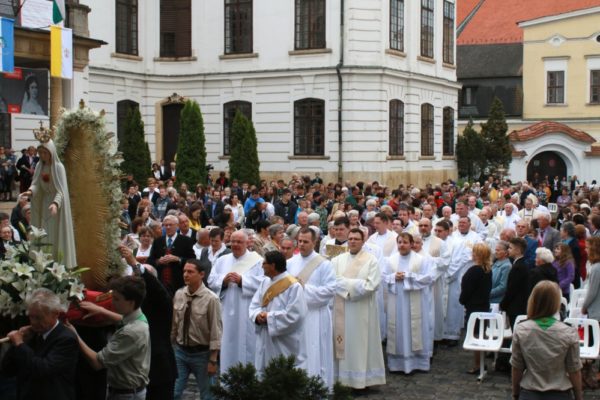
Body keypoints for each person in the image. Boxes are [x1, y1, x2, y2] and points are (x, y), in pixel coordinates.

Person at [68, 276, 151, 400]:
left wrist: (74, 334)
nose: (112, 303)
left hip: (125, 395)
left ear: (131, 302)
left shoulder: (130, 333)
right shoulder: (138, 316)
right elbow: (122, 320)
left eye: (117, 299)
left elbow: (97, 362)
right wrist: (101, 310)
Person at [330, 228, 385, 389]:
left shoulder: (371, 260)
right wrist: (355, 284)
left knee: (361, 344)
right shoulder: (337, 260)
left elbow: (371, 285)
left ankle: (361, 381)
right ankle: (342, 380)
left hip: (362, 311)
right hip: (341, 309)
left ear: (363, 242)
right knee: (343, 344)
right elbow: (332, 281)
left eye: (356, 239)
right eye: (350, 238)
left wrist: (345, 284)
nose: (353, 241)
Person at [1, 288, 79, 400]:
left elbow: (43, 370)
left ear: (55, 314)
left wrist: (20, 344)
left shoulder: (66, 339)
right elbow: (8, 369)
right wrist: (16, 345)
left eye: (38, 318)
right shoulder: (33, 335)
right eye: (31, 317)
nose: (33, 322)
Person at [511, 281, 583, 400]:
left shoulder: (521, 329)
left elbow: (516, 367)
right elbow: (574, 370)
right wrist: (579, 397)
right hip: (560, 394)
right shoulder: (568, 331)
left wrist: (515, 393)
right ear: (556, 303)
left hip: (530, 393)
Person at [286, 227, 336, 388]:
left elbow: (329, 291)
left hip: (316, 315)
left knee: (315, 351)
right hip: (296, 316)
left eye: (306, 242)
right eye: (299, 241)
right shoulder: (290, 263)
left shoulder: (324, 264)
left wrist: (303, 288)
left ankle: (317, 387)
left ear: (314, 242)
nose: (301, 244)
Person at [208, 230, 264, 374]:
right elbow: (211, 280)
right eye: (232, 241)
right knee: (228, 343)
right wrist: (223, 282)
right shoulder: (222, 260)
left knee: (247, 345)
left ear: (247, 243)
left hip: (247, 310)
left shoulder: (257, 261)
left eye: (239, 242)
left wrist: (242, 281)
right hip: (226, 310)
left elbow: (263, 284)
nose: (235, 245)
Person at [172, 259, 222, 400]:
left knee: (207, 395)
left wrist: (213, 360)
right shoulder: (179, 294)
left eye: (190, 272)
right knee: (174, 392)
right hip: (180, 352)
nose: (186, 275)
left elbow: (215, 330)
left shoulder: (211, 299)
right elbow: (175, 323)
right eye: (184, 271)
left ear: (201, 274)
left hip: (202, 354)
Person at [249, 250, 307, 372]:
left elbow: (296, 315)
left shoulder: (293, 286)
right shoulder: (265, 282)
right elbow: (254, 304)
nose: (261, 266)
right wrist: (257, 315)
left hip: (283, 341)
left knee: (281, 373)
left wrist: (268, 317)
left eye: (264, 263)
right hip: (265, 337)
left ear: (273, 265)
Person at [384, 233, 434, 373]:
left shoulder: (421, 260)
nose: (402, 245)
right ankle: (396, 364)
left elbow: (429, 278)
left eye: (405, 242)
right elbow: (383, 276)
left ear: (411, 244)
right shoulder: (390, 260)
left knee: (415, 328)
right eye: (399, 242)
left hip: (416, 301)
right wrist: (394, 276)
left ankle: (417, 362)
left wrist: (408, 276)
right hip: (397, 301)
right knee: (398, 329)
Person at [23, 139, 76, 269]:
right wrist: (30, 192)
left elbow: (61, 190)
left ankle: (56, 264)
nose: (42, 155)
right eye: (39, 152)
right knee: (43, 235)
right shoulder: (39, 167)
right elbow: (36, 185)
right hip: (43, 206)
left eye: (44, 153)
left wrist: (55, 204)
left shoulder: (59, 167)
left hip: (56, 210)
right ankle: (43, 264)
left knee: (55, 235)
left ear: (51, 152)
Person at [443, 216, 482, 344]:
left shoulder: (476, 237)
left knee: (456, 304)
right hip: (449, 273)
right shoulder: (452, 236)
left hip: (466, 273)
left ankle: (454, 334)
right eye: (460, 222)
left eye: (464, 222)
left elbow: (477, 253)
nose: (462, 224)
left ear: (470, 224)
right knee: (446, 303)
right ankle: (443, 332)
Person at [459, 243, 492, 374]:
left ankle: (478, 364)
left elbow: (467, 289)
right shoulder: (487, 269)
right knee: (480, 334)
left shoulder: (475, 270)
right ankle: (480, 362)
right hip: (483, 305)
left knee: (476, 336)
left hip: (474, 307)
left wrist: (462, 300)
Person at [147, 214, 196, 295]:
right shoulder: (158, 241)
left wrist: (178, 259)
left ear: (177, 226)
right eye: (166, 225)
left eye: (170, 225)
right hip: (161, 283)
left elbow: (193, 260)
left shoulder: (186, 241)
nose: (168, 227)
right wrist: (158, 261)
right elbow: (150, 261)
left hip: (179, 283)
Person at [501, 238, 530, 329]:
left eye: (510, 248)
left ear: (517, 250)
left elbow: (512, 289)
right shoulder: (520, 264)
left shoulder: (518, 267)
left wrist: (503, 304)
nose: (508, 250)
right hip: (518, 306)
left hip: (516, 307)